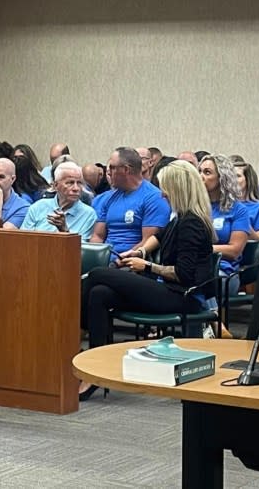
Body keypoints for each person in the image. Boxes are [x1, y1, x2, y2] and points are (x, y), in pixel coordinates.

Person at [80, 160, 216, 400]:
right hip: (169, 291)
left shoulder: (192, 224)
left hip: (183, 297)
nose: (162, 193)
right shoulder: (180, 219)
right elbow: (159, 237)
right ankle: (95, 369)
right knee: (99, 293)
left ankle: (75, 337)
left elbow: (184, 275)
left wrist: (148, 266)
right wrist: (140, 252)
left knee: (98, 275)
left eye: (165, 188)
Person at [89, 147, 171, 255]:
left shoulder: (154, 198)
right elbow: (98, 236)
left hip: (131, 262)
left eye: (113, 168)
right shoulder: (109, 198)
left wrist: (121, 258)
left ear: (126, 170)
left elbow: (148, 241)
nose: (108, 173)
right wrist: (92, 258)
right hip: (105, 260)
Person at [199, 155, 249, 304]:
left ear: (222, 177)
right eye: (199, 171)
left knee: (198, 281)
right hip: (194, 267)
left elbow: (234, 251)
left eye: (207, 172)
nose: (201, 176)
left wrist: (202, 249)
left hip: (224, 273)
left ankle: (212, 323)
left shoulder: (239, 210)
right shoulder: (196, 207)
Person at [21, 162, 97, 241]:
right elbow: (22, 240)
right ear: (55, 186)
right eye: (70, 183)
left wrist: (64, 231)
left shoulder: (89, 215)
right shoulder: (37, 207)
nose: (76, 188)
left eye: (79, 183)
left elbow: (82, 251)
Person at [234, 161, 259, 240]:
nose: (233, 180)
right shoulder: (224, 205)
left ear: (248, 180)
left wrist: (242, 222)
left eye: (238, 176)